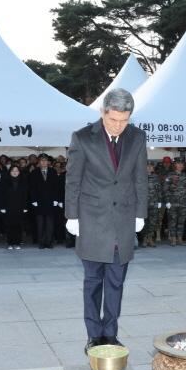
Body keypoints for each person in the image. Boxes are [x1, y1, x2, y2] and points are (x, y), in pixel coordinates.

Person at [64, 88, 147, 354]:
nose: (119, 126)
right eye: (114, 120)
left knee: (116, 282)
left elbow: (140, 178)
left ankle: (110, 334)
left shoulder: (137, 137)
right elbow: (73, 179)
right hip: (91, 221)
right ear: (103, 112)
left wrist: (140, 213)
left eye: (125, 120)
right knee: (93, 282)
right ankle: (93, 335)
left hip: (123, 221)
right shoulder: (82, 138)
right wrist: (72, 215)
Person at [29, 153, 60, 249]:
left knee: (50, 224)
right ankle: (41, 243)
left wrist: (56, 199)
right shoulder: (34, 173)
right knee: (40, 224)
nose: (43, 162)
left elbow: (56, 187)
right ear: (39, 162)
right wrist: (33, 199)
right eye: (42, 160)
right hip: (39, 201)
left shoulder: (53, 171)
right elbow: (32, 188)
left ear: (48, 162)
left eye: (45, 160)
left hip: (50, 201)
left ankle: (49, 242)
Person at [163, 158, 186, 246]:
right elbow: (165, 189)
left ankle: (180, 238)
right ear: (174, 165)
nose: (180, 166)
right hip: (172, 203)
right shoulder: (169, 175)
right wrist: (167, 201)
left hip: (183, 203)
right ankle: (173, 239)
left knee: (181, 221)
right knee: (172, 221)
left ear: (183, 166)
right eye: (178, 164)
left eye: (181, 164)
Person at [1, 165, 29, 250]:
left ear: (19, 172)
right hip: (8, 206)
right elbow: (2, 195)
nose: (15, 172)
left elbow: (25, 195)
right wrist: (2, 207)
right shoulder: (5, 181)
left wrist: (25, 207)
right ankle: (10, 243)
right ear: (10, 172)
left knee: (18, 225)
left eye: (16, 170)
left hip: (20, 206)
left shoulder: (23, 181)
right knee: (9, 225)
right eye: (13, 170)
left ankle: (17, 243)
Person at [142, 161, 162, 247]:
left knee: (153, 222)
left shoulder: (156, 177)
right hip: (143, 203)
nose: (149, 168)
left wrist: (160, 201)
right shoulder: (140, 177)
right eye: (148, 166)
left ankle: (150, 238)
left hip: (154, 202)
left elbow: (159, 190)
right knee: (144, 222)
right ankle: (144, 239)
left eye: (151, 166)